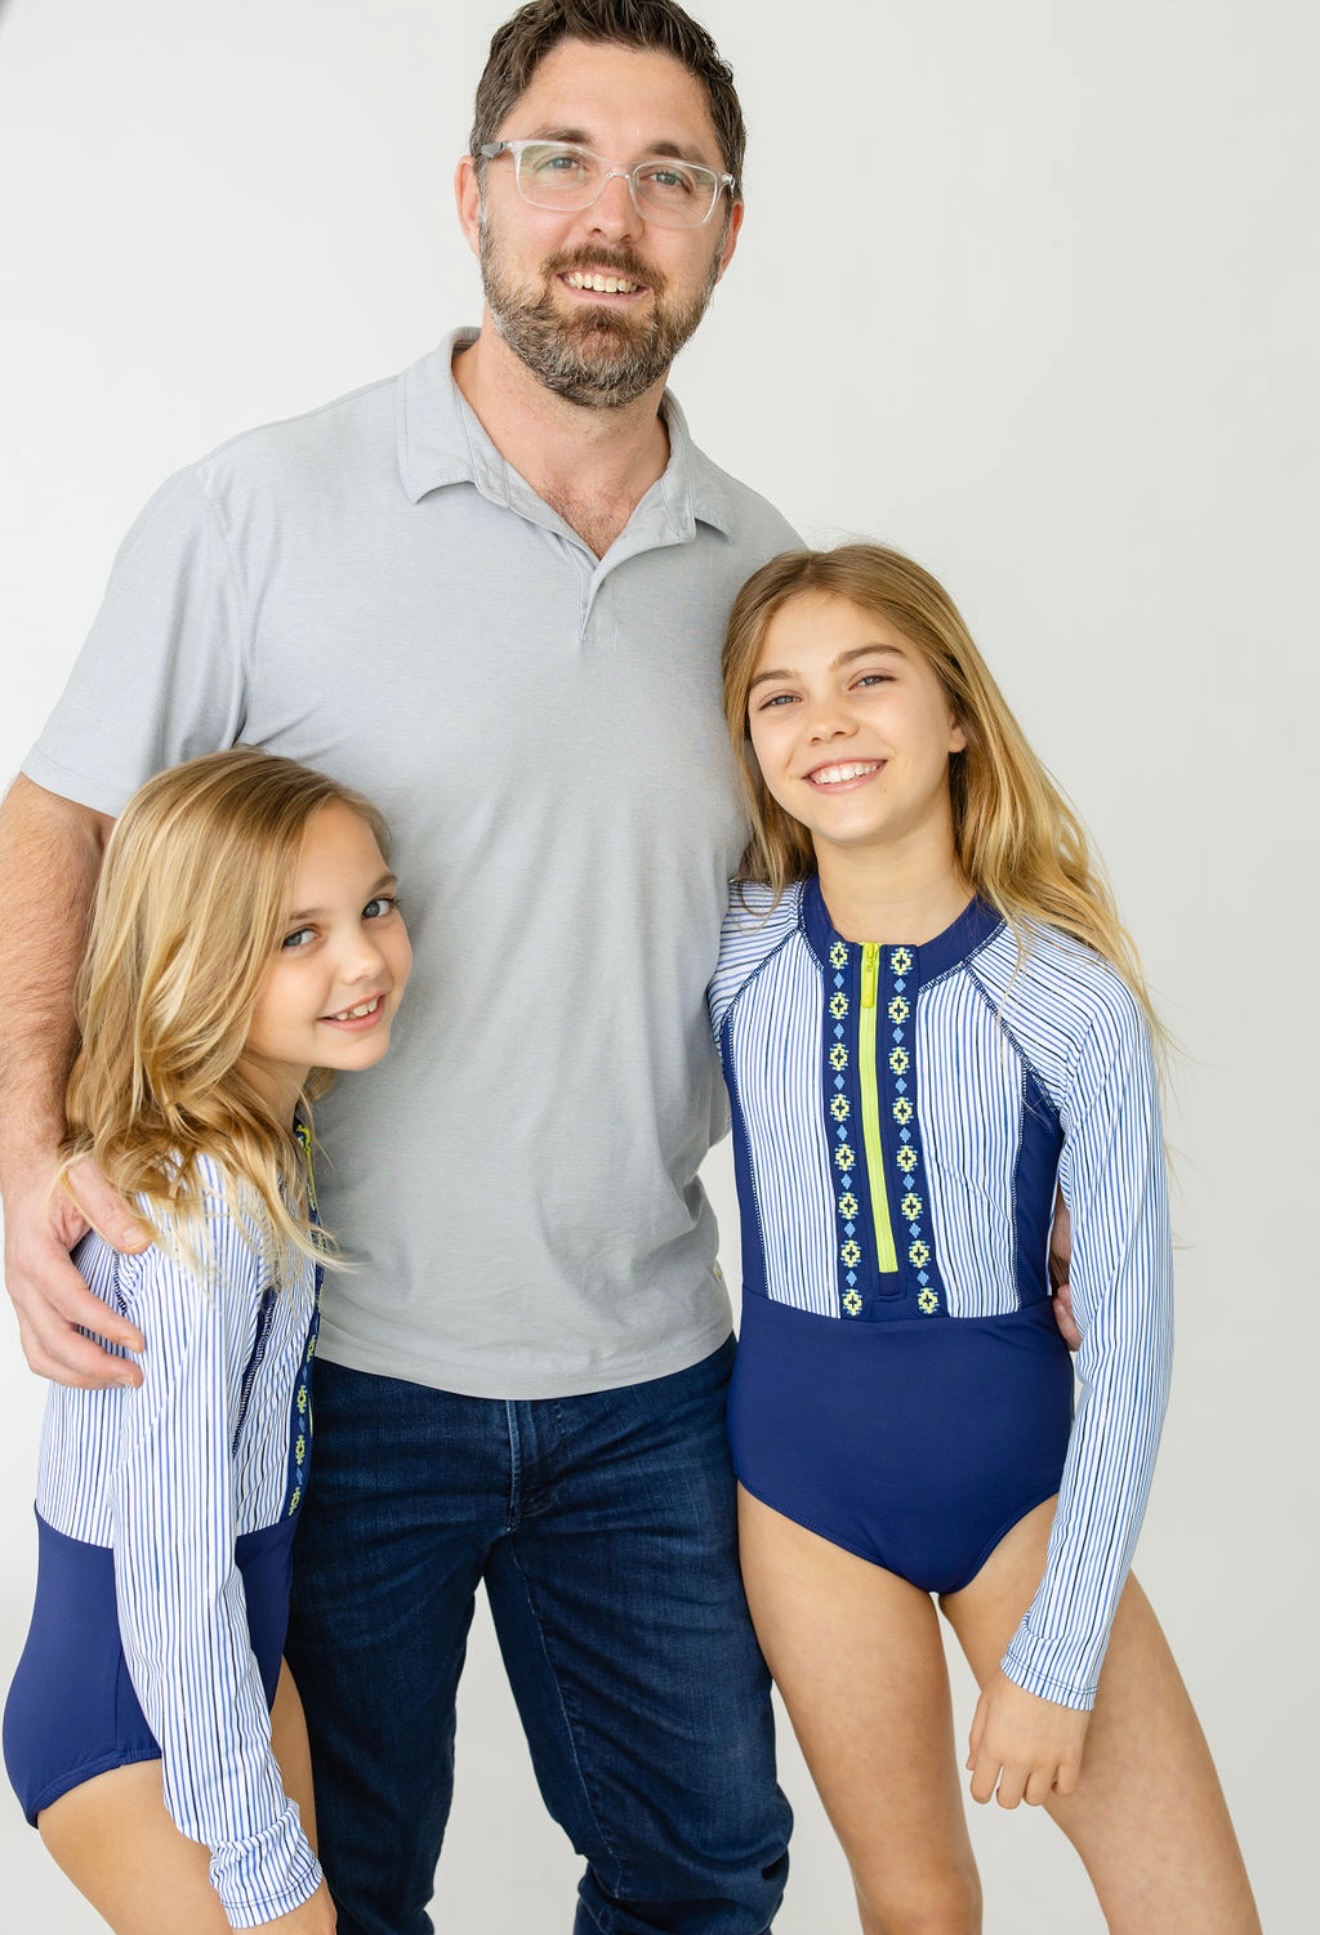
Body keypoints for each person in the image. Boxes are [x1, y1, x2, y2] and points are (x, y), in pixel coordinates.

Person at [0, 7, 803, 1931]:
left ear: (726, 228)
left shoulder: (764, 580)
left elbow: (817, 952)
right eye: (560, 159)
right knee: (338, 1894)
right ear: (473, 194)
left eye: (669, 176)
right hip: (331, 1375)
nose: (610, 217)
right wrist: (28, 1144)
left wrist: (1010, 1188)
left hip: (649, 1376)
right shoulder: (262, 509)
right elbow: (62, 820)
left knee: (705, 1871)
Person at [711, 543, 1261, 1933]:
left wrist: (1060, 1654)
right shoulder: (731, 953)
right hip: (800, 1504)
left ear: (956, 710)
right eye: (779, 697)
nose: (824, 721)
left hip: (1027, 1502)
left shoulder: (1068, 997)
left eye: (869, 678)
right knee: (917, 1905)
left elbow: (1130, 1345)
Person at [3, 747, 412, 1933]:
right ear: (193, 961)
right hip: (137, 1702)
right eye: (297, 936)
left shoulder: (262, 1148)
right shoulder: (198, 1216)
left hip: (232, 1659)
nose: (362, 959)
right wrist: (253, 1850)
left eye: (375, 907)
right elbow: (172, 1562)